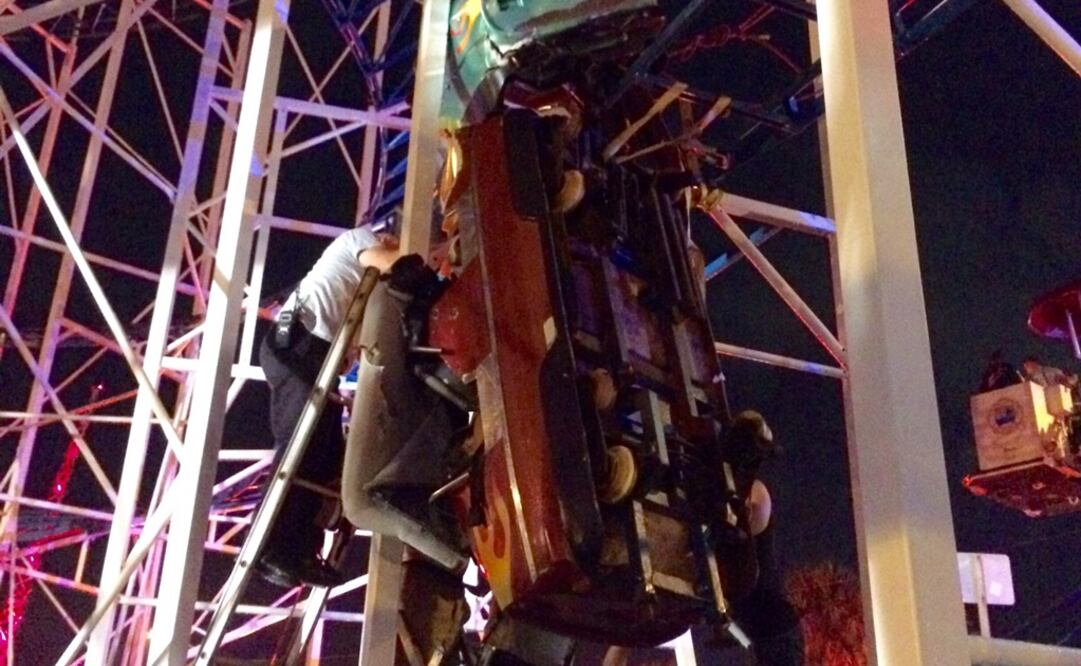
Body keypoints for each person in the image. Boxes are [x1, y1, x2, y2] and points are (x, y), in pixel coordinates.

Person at [256, 225, 399, 587]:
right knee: (299, 448)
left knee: (326, 453)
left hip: (313, 355)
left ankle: (299, 548)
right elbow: (396, 263)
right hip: (298, 347)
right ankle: (268, 549)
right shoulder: (360, 240)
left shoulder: (366, 289)